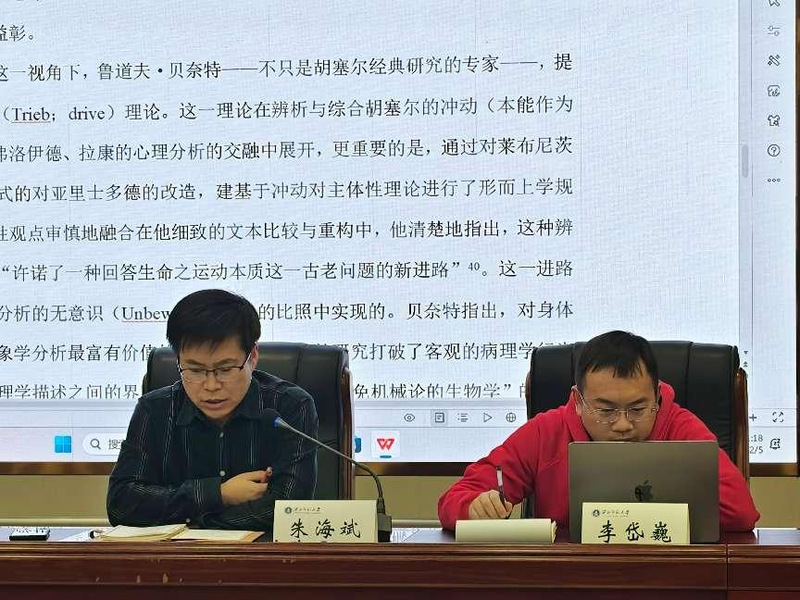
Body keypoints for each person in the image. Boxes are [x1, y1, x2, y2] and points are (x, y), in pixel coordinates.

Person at [438, 330, 759, 532]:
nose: (623, 424)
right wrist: (474, 507)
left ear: (658, 398)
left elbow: (742, 514)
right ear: (578, 402)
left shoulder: (681, 428)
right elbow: (455, 499)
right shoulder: (545, 432)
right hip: (570, 578)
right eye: (605, 410)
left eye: (638, 409)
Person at [107, 289, 318, 530]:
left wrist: (197, 520)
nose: (211, 386)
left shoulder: (289, 407)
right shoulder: (155, 410)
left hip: (262, 553)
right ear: (178, 361)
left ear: (252, 357)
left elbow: (287, 509)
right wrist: (218, 494)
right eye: (195, 370)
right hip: (175, 554)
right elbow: (121, 505)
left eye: (225, 369)